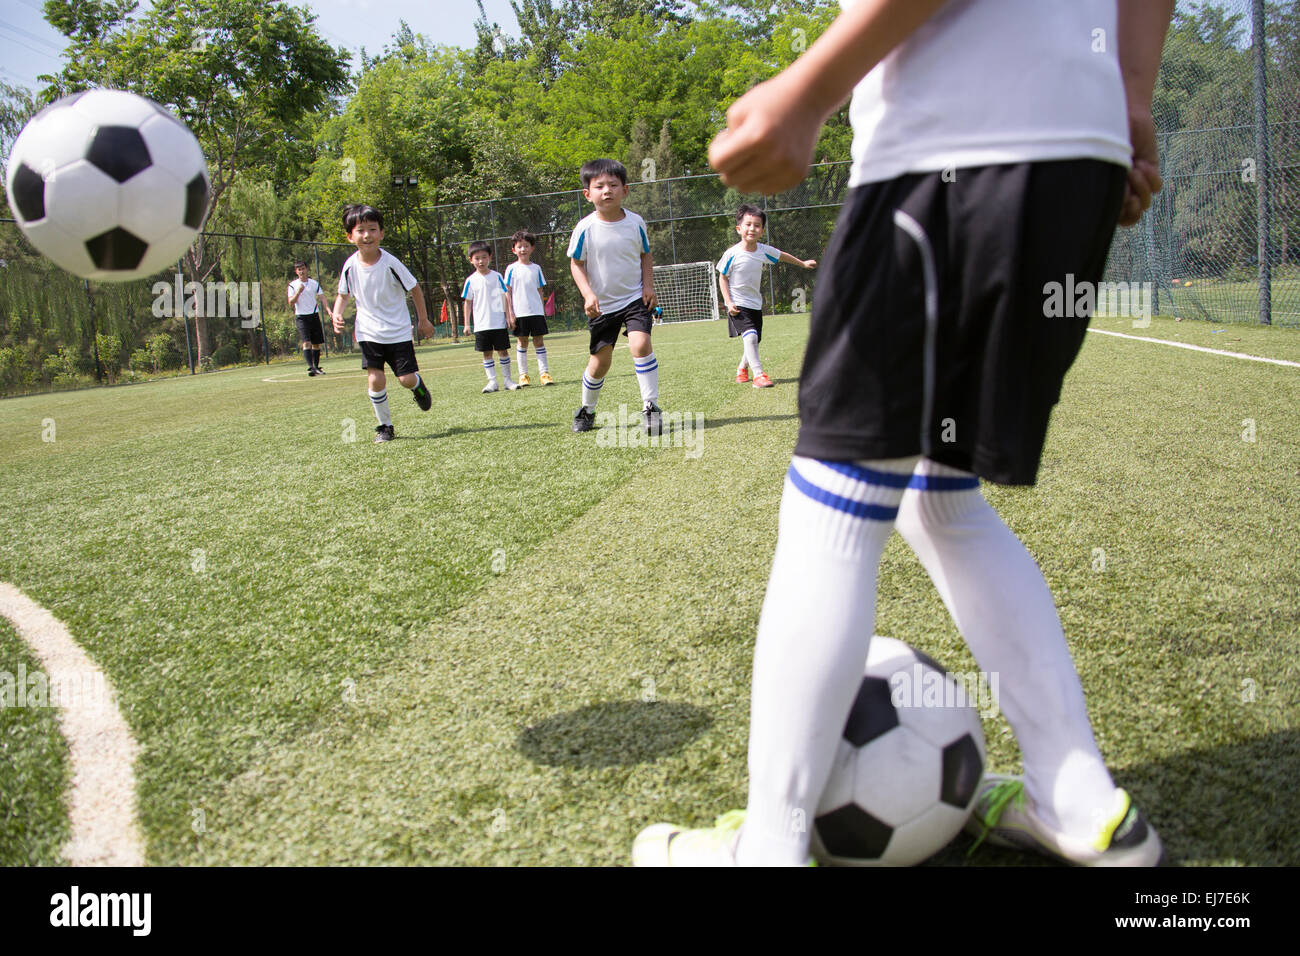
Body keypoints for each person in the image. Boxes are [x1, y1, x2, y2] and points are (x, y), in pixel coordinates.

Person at [632, 0, 1173, 866]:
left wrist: (811, 88)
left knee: (831, 507)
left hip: (948, 148)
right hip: (1078, 150)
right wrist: (1129, 99)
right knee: (935, 490)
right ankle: (1080, 803)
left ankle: (771, 847)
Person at [567, 158, 661, 434]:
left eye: (613, 185)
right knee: (600, 363)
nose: (606, 190)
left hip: (634, 298)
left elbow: (646, 254)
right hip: (602, 306)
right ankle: (587, 409)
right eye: (599, 186)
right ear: (588, 194)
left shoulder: (636, 222)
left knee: (640, 344)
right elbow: (576, 264)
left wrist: (648, 286)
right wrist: (587, 294)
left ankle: (651, 408)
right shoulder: (585, 228)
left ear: (625, 190)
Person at [330, 204, 434, 444]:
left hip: (397, 333)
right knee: (375, 379)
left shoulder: (390, 263)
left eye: (372, 229)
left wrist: (424, 319)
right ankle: (384, 427)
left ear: (381, 233)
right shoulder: (349, 265)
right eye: (361, 230)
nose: (367, 235)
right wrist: (337, 313)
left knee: (406, 379)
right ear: (350, 236)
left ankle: (418, 387)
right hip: (368, 332)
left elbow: (415, 288)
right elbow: (343, 294)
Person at [716, 205, 817, 388]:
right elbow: (722, 277)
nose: (752, 229)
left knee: (754, 340)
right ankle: (759, 375)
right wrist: (728, 302)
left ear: (762, 231)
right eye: (748, 224)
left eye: (757, 225)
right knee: (751, 337)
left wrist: (802, 263)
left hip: (755, 304)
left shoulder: (762, 251)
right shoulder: (732, 254)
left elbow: (782, 256)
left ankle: (742, 369)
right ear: (739, 228)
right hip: (738, 304)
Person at [462, 240, 519, 393]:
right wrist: (467, 324)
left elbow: (504, 296)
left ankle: (508, 380)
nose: (481, 261)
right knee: (487, 353)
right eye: (477, 258)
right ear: (471, 260)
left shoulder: (497, 276)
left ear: (490, 257)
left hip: (498, 323)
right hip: (481, 324)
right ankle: (492, 382)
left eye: (484, 257)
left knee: (503, 351)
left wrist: (508, 316)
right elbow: (467, 302)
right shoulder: (471, 280)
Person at [505, 230, 554, 386]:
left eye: (526, 246)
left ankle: (544, 374)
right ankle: (523, 375)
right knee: (522, 342)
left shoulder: (536, 268)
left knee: (539, 342)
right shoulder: (511, 269)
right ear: (514, 249)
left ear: (532, 248)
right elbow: (508, 292)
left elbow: (540, 290)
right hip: (520, 313)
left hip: (536, 312)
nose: (523, 249)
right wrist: (510, 313)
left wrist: (542, 311)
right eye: (519, 247)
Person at [288, 260, 332, 376]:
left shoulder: (314, 283)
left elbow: (322, 298)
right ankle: (311, 367)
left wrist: (329, 310)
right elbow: (291, 302)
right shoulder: (293, 285)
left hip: (314, 315)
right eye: (299, 269)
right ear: (296, 272)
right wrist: (298, 292)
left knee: (316, 343)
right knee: (306, 342)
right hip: (301, 317)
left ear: (307, 269)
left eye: (303, 268)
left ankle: (317, 367)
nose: (301, 271)